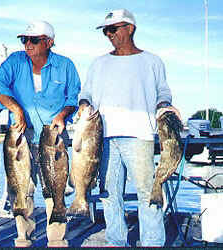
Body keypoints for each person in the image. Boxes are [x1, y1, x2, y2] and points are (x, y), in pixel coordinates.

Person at [79, 9, 181, 247]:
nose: (108, 34)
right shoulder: (98, 63)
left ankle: (153, 241)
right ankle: (116, 240)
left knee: (149, 192)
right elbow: (86, 94)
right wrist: (84, 103)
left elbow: (163, 92)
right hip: (101, 138)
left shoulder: (153, 61)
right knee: (109, 194)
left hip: (140, 135)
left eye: (113, 29)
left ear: (130, 28)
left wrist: (165, 105)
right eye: (106, 30)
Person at [0, 20, 81, 247]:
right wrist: (15, 109)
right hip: (20, 137)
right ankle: (23, 239)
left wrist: (62, 115)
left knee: (54, 188)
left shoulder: (65, 65)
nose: (27, 44)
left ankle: (57, 240)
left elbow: (73, 98)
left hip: (54, 135)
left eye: (33, 40)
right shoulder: (15, 61)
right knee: (21, 188)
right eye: (24, 40)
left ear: (49, 42)